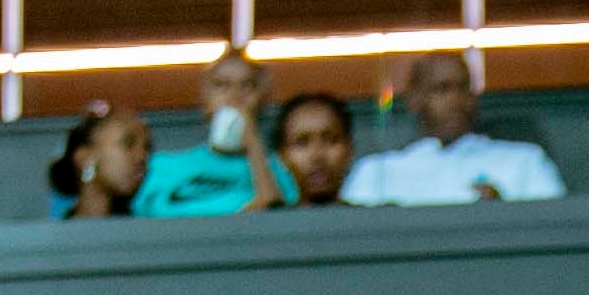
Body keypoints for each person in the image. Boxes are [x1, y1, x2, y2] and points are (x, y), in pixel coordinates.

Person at [341, 51, 565, 203]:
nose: (455, 100)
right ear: (414, 100)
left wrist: (504, 214)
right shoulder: (377, 174)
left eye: (463, 88)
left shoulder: (525, 162)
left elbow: (556, 232)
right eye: (442, 89)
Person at [135, 52, 289, 213]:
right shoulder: (161, 166)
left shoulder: (278, 172)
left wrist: (253, 144)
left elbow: (273, 214)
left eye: (247, 86)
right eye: (221, 85)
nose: (234, 97)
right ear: (205, 102)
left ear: (262, 102)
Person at [50, 105, 148, 220]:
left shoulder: (150, 229)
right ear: (85, 158)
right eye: (128, 144)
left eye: (147, 147)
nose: (141, 157)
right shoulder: (52, 230)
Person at [274, 90, 355, 206]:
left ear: (349, 148)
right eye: (302, 142)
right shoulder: (266, 217)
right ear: (282, 155)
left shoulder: (374, 216)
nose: (317, 156)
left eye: (330, 140)